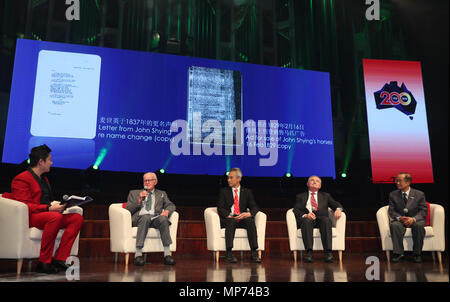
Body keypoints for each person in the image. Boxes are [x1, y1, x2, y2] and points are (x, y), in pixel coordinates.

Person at [2, 145, 83, 274]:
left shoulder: (44, 179)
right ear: (41, 162)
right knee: (54, 217)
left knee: (76, 218)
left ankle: (60, 258)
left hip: (46, 214)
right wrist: (48, 208)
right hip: (31, 215)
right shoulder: (22, 178)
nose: (52, 162)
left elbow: (46, 200)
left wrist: (60, 205)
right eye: (49, 160)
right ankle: (43, 262)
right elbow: (25, 204)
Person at [125, 172, 176, 266]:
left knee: (163, 219)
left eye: (149, 180)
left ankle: (167, 254)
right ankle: (138, 255)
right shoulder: (134, 193)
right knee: (146, 217)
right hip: (140, 218)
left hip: (155, 218)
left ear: (155, 182)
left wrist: (167, 211)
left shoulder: (162, 194)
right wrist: (139, 200)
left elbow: (171, 205)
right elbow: (128, 210)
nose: (147, 182)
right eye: (145, 181)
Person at [293, 175, 343, 263]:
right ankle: (309, 253)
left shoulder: (326, 195)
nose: (315, 182)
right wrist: (306, 215)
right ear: (307, 184)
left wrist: (338, 209)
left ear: (320, 186)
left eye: (317, 181)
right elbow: (296, 210)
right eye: (312, 180)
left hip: (322, 219)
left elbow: (336, 204)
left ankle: (328, 253)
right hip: (308, 219)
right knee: (307, 221)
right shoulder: (300, 196)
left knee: (326, 220)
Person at [217, 168, 261, 263]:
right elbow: (220, 207)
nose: (228, 180)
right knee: (231, 221)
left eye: (231, 178)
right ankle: (229, 253)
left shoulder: (247, 192)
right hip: (229, 218)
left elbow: (254, 207)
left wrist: (248, 214)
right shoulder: (224, 191)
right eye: (228, 178)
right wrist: (228, 215)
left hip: (241, 218)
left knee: (250, 221)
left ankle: (254, 253)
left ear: (238, 178)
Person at [388, 172, 427, 263]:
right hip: (400, 220)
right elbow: (391, 211)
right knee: (394, 225)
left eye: (399, 181)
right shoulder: (393, 194)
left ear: (408, 182)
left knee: (418, 226)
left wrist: (413, 219)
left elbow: (423, 211)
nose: (397, 182)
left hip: (415, 219)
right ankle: (399, 254)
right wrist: (399, 218)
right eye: (396, 181)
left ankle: (417, 254)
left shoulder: (419, 194)